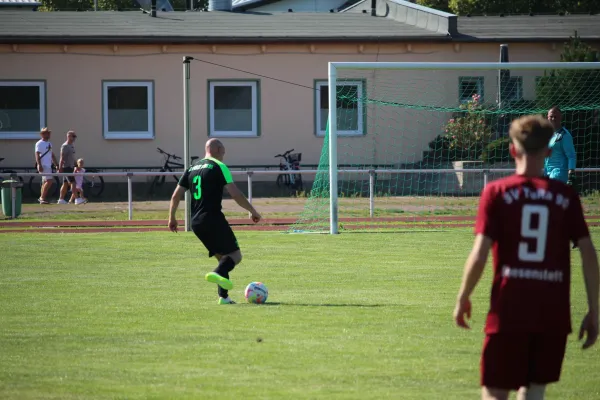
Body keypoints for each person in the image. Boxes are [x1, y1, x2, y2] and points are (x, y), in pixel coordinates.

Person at [453, 115, 599, 400]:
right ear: (548, 151)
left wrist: (463, 296)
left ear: (512, 149)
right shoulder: (566, 196)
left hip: (509, 311)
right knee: (533, 393)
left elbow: (480, 253)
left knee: (495, 392)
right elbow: (589, 253)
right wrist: (594, 310)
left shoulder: (496, 192)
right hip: (552, 314)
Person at [168, 139, 262, 304]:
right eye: (223, 151)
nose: (224, 155)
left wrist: (172, 217)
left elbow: (176, 195)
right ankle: (218, 273)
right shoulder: (219, 166)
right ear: (218, 149)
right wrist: (252, 210)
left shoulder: (191, 168)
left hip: (195, 222)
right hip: (212, 217)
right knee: (235, 256)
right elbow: (235, 193)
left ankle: (223, 297)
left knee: (223, 258)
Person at [544, 106, 576, 186]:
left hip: (559, 173)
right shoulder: (546, 134)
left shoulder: (565, 135)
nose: (553, 118)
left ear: (560, 118)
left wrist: (571, 173)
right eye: (551, 116)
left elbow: (571, 156)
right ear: (547, 117)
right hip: (547, 171)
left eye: (556, 117)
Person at [34, 127, 59, 204]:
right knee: (49, 181)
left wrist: (56, 164)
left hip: (48, 165)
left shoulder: (49, 143)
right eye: (47, 133)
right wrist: (39, 164)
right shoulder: (39, 143)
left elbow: (51, 155)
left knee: (45, 182)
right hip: (43, 165)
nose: (48, 134)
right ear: (42, 134)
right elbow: (37, 155)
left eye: (49, 133)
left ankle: (41, 198)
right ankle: (42, 197)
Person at [57, 130, 77, 204]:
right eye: (73, 136)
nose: (74, 138)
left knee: (65, 184)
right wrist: (60, 168)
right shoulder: (65, 146)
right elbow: (62, 157)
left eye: (75, 136)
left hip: (71, 166)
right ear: (68, 136)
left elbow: (72, 157)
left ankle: (61, 199)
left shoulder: (71, 146)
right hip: (66, 167)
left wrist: (76, 164)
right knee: (73, 182)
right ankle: (77, 199)